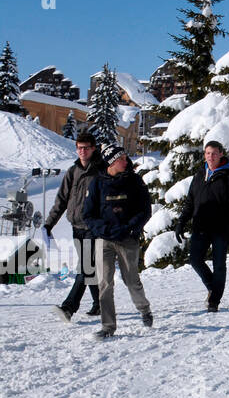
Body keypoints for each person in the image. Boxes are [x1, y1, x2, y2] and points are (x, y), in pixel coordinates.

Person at [82, 144, 152, 340]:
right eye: (120, 158)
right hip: (104, 240)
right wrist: (104, 230)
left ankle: (144, 309)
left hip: (127, 239)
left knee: (131, 280)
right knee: (105, 283)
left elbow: (145, 210)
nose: (125, 161)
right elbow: (88, 214)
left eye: (125, 157)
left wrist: (130, 228)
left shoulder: (135, 181)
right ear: (111, 161)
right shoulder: (97, 183)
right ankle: (108, 326)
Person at [46, 132, 106, 323]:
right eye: (79, 147)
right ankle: (100, 304)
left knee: (85, 267)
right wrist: (49, 223)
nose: (82, 151)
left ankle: (68, 307)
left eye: (86, 147)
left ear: (93, 148)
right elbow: (61, 200)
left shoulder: (101, 171)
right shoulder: (73, 171)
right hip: (76, 226)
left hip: (93, 227)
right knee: (89, 268)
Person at [178, 140, 229, 312]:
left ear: (221, 154)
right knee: (194, 260)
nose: (210, 156)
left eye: (214, 153)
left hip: (221, 229)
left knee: (219, 264)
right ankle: (211, 286)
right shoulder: (199, 175)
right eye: (207, 153)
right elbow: (190, 202)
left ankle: (214, 301)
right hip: (200, 227)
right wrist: (181, 222)